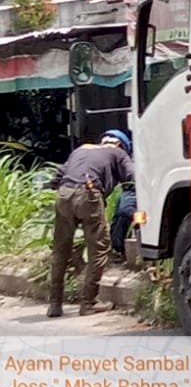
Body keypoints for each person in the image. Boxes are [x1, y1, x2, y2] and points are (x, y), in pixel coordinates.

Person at [46, 129, 134, 318]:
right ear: (120, 145)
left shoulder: (81, 149)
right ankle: (88, 303)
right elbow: (132, 175)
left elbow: (57, 177)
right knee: (99, 249)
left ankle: (54, 304)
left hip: (64, 194)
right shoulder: (118, 152)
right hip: (88, 194)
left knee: (60, 250)